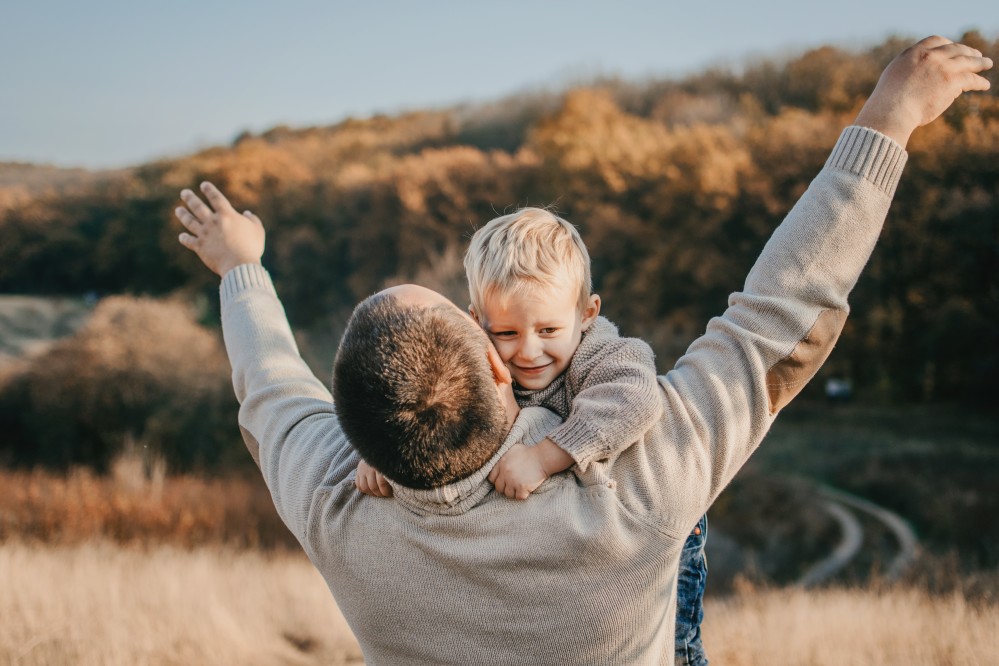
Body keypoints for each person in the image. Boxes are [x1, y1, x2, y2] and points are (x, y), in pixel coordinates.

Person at [174, 37, 991, 664]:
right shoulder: (636, 482)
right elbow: (780, 319)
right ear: (490, 359)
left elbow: (269, 387)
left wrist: (241, 269)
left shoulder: (335, 502)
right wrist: (886, 121)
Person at [355, 207, 711, 664]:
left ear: (587, 313)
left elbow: (635, 400)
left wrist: (546, 455)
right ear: (475, 322)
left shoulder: (603, 355)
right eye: (506, 331)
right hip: (569, 546)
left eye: (548, 330)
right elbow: (428, 406)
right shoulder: (480, 360)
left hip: (657, 531)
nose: (528, 350)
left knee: (678, 648)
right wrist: (380, 452)